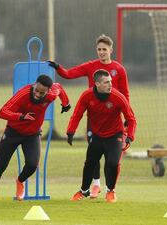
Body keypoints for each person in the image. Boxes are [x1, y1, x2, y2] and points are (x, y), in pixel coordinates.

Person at [47, 34, 130, 198]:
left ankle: (110, 189)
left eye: (104, 49)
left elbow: (125, 93)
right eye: (99, 49)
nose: (101, 52)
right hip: (94, 119)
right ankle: (96, 185)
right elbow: (70, 74)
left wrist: (126, 116)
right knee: (94, 154)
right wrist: (57, 67)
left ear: (110, 50)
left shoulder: (119, 69)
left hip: (112, 115)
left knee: (112, 159)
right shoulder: (91, 66)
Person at [0, 75, 71, 207]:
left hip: (32, 135)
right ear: (34, 85)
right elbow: (2, 112)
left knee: (32, 164)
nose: (38, 94)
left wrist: (66, 103)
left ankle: (20, 181)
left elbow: (60, 88)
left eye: (42, 93)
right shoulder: (23, 93)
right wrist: (21, 116)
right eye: (36, 90)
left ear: (48, 91)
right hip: (13, 132)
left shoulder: (51, 93)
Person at [66, 70, 136, 203]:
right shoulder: (86, 96)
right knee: (90, 164)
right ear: (97, 84)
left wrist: (130, 137)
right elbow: (77, 114)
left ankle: (110, 190)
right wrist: (70, 131)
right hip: (97, 136)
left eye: (110, 81)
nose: (110, 84)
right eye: (106, 82)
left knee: (113, 163)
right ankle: (84, 190)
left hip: (115, 135)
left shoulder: (118, 97)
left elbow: (131, 119)